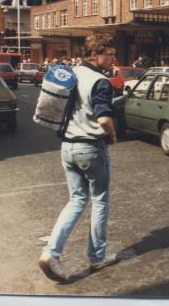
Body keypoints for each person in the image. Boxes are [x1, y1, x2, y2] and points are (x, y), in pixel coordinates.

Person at [38, 33, 119, 282]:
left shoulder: (71, 74)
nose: (113, 59)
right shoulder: (100, 81)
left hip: (67, 148)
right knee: (100, 201)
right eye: (110, 54)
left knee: (76, 200)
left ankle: (51, 252)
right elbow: (104, 118)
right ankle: (97, 258)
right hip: (91, 148)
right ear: (95, 54)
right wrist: (113, 136)